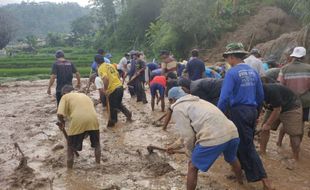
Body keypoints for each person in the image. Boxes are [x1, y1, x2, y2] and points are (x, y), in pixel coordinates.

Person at [217, 43, 273, 190]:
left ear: (232, 57)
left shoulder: (232, 72)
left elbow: (224, 98)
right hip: (252, 110)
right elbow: (260, 95)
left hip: (238, 112)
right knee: (239, 142)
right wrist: (258, 113)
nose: (227, 60)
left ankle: (265, 180)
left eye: (227, 57)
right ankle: (240, 174)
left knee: (246, 146)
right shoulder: (253, 72)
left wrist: (217, 115)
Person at [166, 87, 242, 190]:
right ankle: (241, 184)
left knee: (192, 166)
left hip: (214, 136)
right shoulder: (198, 101)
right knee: (232, 158)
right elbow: (189, 133)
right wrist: (173, 146)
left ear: (172, 100)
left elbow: (188, 136)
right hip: (232, 132)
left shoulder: (178, 107)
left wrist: (190, 153)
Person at [57, 85, 100, 169]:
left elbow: (59, 114)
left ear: (64, 93)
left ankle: (69, 173)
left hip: (78, 120)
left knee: (70, 147)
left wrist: (62, 123)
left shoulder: (65, 97)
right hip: (93, 119)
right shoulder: (84, 95)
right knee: (97, 144)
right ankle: (98, 165)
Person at [260, 84, 303, 160]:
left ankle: (295, 159)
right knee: (264, 129)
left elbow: (278, 109)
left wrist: (268, 123)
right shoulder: (252, 92)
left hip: (291, 107)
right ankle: (262, 152)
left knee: (294, 133)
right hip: (273, 107)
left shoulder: (271, 90)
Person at [278, 47, 310, 130]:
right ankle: (296, 142)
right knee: (301, 123)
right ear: (304, 57)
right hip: (305, 101)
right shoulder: (308, 68)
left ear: (292, 56)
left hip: (289, 101)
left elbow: (280, 86)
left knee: (287, 121)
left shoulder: (284, 68)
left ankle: (279, 141)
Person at [96, 54, 132, 127]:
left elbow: (105, 79)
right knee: (118, 104)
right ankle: (128, 114)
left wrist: (106, 90)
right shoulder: (110, 65)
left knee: (112, 106)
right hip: (120, 87)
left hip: (114, 89)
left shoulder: (101, 68)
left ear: (96, 62)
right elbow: (118, 75)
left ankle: (112, 123)